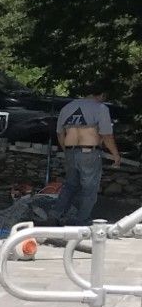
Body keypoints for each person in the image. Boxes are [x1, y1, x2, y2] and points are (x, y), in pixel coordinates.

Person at [51, 83, 121, 225]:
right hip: (89, 152)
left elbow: (59, 133)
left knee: (70, 185)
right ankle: (80, 220)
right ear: (101, 95)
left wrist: (66, 151)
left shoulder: (67, 107)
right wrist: (115, 155)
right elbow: (106, 135)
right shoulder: (101, 108)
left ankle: (55, 215)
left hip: (70, 151)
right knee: (89, 189)